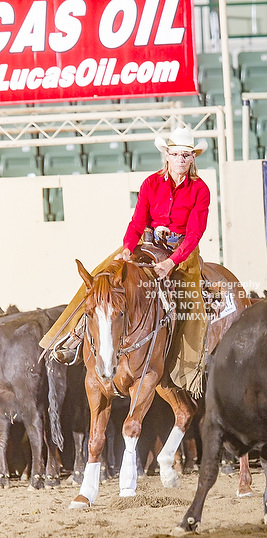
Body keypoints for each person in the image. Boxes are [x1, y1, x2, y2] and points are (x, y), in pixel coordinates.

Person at [41, 126, 211, 396]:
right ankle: (71, 334)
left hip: (182, 250)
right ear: (167, 155)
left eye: (186, 155)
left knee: (191, 300)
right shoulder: (151, 184)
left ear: (193, 158)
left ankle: (187, 369)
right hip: (148, 242)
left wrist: (171, 262)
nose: (181, 159)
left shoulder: (200, 189)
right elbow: (137, 222)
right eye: (176, 153)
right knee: (101, 276)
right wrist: (128, 249)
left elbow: (195, 233)